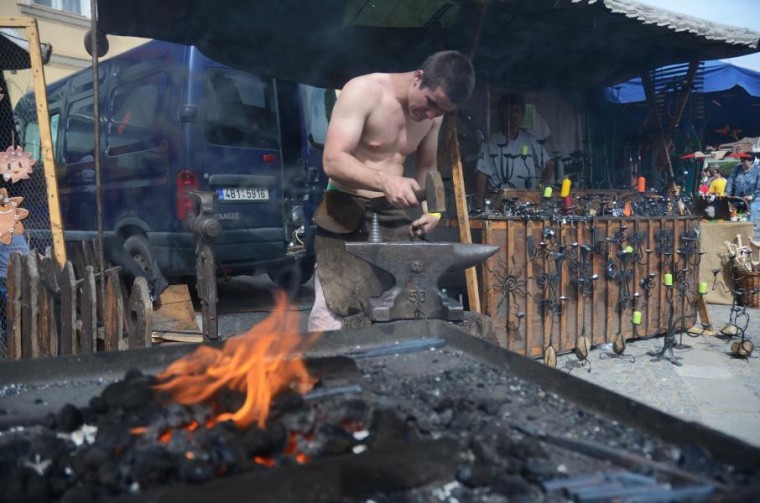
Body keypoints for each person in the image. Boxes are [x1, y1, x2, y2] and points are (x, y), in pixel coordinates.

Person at [307, 51, 476, 331]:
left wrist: (432, 209)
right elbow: (333, 160)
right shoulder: (363, 91)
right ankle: (324, 371)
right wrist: (385, 181)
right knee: (333, 313)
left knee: (396, 310)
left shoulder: (433, 117)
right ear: (418, 78)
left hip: (391, 218)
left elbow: (427, 166)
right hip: (344, 213)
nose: (432, 114)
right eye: (431, 103)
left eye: (441, 111)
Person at [473, 92, 554, 210]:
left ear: (522, 114)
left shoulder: (530, 140)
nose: (513, 115)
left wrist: (540, 188)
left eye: (516, 111)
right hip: (499, 203)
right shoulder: (490, 142)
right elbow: (482, 174)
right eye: (508, 111)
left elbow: (549, 165)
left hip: (526, 203)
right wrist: (479, 203)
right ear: (502, 114)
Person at [727, 156, 760, 223]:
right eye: (742, 161)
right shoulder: (737, 168)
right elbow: (731, 181)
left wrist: (752, 196)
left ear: (751, 161)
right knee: (736, 220)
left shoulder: (757, 170)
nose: (743, 163)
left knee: (748, 222)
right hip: (738, 199)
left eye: (744, 161)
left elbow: (759, 186)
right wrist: (728, 193)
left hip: (752, 200)